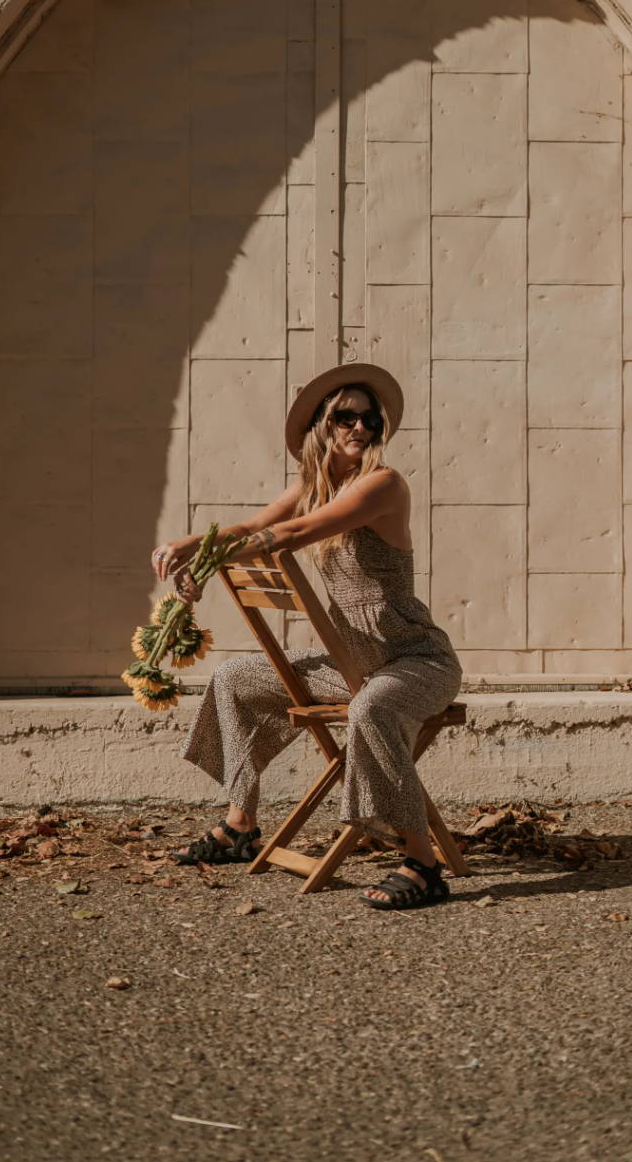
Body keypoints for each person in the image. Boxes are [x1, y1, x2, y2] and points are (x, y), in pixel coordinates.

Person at [151, 363, 463, 910]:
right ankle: (239, 825)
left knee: (373, 709)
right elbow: (254, 528)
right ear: (321, 423)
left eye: (370, 419)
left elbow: (291, 535)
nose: (360, 428)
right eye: (346, 416)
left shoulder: (382, 485)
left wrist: (207, 561)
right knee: (235, 679)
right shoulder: (315, 487)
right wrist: (192, 543)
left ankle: (423, 862)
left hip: (416, 661)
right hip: (350, 662)